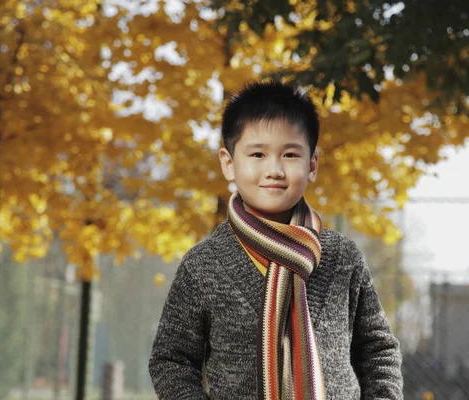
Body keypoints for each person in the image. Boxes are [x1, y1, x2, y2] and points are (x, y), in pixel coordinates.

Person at [148, 81, 403, 399]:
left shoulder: (342, 257)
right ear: (229, 164)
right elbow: (171, 360)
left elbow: (378, 352)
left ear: (312, 165)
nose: (274, 170)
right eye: (257, 154)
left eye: (290, 155)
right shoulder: (204, 263)